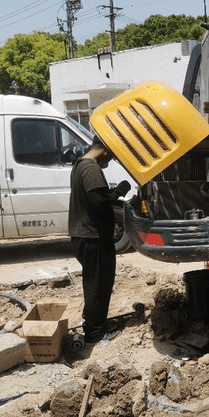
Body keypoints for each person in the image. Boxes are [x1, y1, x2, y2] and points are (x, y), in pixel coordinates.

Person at [68, 136, 131, 343]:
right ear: (105, 148)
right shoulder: (92, 168)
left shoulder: (80, 164)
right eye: (111, 154)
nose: (110, 159)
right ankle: (95, 333)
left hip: (86, 235)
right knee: (97, 284)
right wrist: (120, 190)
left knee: (98, 282)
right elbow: (99, 203)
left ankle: (96, 322)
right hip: (92, 237)